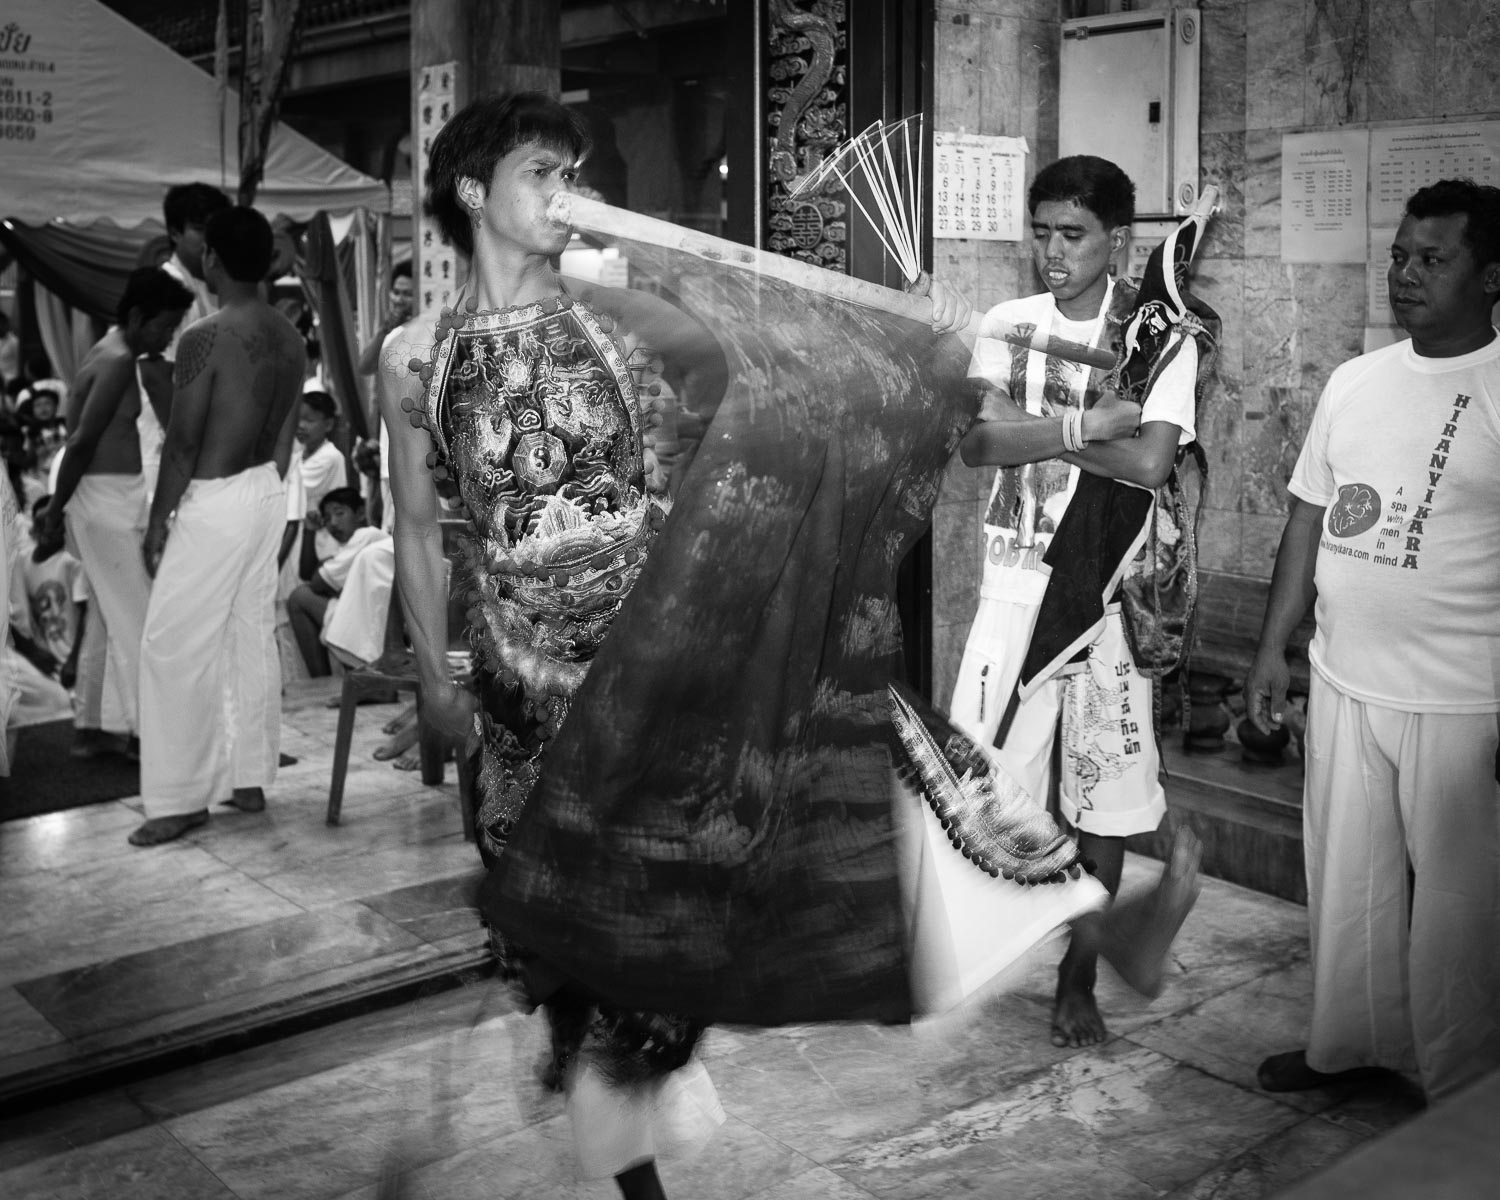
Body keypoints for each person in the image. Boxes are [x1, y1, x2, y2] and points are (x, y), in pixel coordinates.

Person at [1245, 178, 1500, 1104]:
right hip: (1344, 680)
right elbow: (1306, 520)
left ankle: (1462, 1090)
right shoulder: (1356, 381)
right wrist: (1274, 649)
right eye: (1399, 256)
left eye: (1434, 259)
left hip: (1462, 698)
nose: (1406, 275)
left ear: (1492, 274)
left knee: (1460, 916)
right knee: (1347, 885)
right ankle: (1347, 1050)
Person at [948, 155, 1201, 1049]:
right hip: (1011, 581)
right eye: (1042, 232)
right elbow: (977, 447)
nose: (1053, 253)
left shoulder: (1163, 337)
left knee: (1101, 799)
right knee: (984, 784)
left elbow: (1149, 464)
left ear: (1117, 241)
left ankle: (1078, 977)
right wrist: (1087, 424)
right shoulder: (1008, 323)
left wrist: (1039, 437)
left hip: (1101, 592)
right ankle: (1009, 939)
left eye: (1074, 235)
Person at [132, 206, 305, 847]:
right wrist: (266, 492)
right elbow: (285, 436)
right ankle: (248, 777)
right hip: (265, 489)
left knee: (171, 642)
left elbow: (181, 444)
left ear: (211, 260)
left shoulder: (204, 334)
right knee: (248, 633)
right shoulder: (289, 336)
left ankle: (181, 800)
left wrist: (159, 523)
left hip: (219, 494)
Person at [38, 268, 193, 755]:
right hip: (101, 499)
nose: (167, 338)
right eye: (164, 327)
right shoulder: (118, 360)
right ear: (136, 316)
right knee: (139, 621)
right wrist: (54, 510)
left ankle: (96, 726)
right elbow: (81, 442)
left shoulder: (117, 352)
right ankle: (150, 736)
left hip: (112, 495)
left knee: (112, 617)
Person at [145, 182, 232, 503]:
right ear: (175, 232)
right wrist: (187, 452)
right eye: (199, 229)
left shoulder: (213, 285)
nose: (210, 239)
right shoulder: (166, 285)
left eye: (215, 228)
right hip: (165, 448)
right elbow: (154, 375)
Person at [285, 487, 388, 676]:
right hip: (374, 619)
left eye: (340, 513)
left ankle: (321, 679)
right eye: (326, 518)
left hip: (382, 622)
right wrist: (309, 530)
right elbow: (307, 573)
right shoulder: (347, 546)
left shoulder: (366, 535)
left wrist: (324, 566)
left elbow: (317, 583)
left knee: (300, 597)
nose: (332, 523)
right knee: (302, 595)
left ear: (359, 514)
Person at [357, 261, 415, 379]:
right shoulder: (390, 328)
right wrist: (386, 329)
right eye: (396, 292)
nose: (399, 300)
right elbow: (365, 367)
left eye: (407, 294)